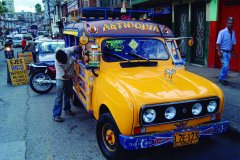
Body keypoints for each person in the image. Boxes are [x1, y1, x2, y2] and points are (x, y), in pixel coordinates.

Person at [53, 46, 83, 122]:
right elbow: (64, 75)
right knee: (59, 97)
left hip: (69, 79)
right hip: (61, 79)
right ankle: (56, 115)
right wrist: (74, 77)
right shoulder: (57, 62)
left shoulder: (67, 51)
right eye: (63, 62)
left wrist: (79, 54)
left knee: (68, 94)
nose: (65, 62)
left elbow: (77, 48)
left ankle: (67, 109)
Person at [216, 17, 237, 85]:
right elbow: (218, 43)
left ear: (233, 24)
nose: (230, 25)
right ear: (226, 23)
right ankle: (222, 79)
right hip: (223, 51)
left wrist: (234, 53)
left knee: (225, 66)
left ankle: (221, 78)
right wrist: (219, 52)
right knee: (226, 65)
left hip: (229, 52)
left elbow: (233, 43)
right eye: (229, 23)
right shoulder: (222, 32)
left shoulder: (233, 32)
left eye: (232, 23)